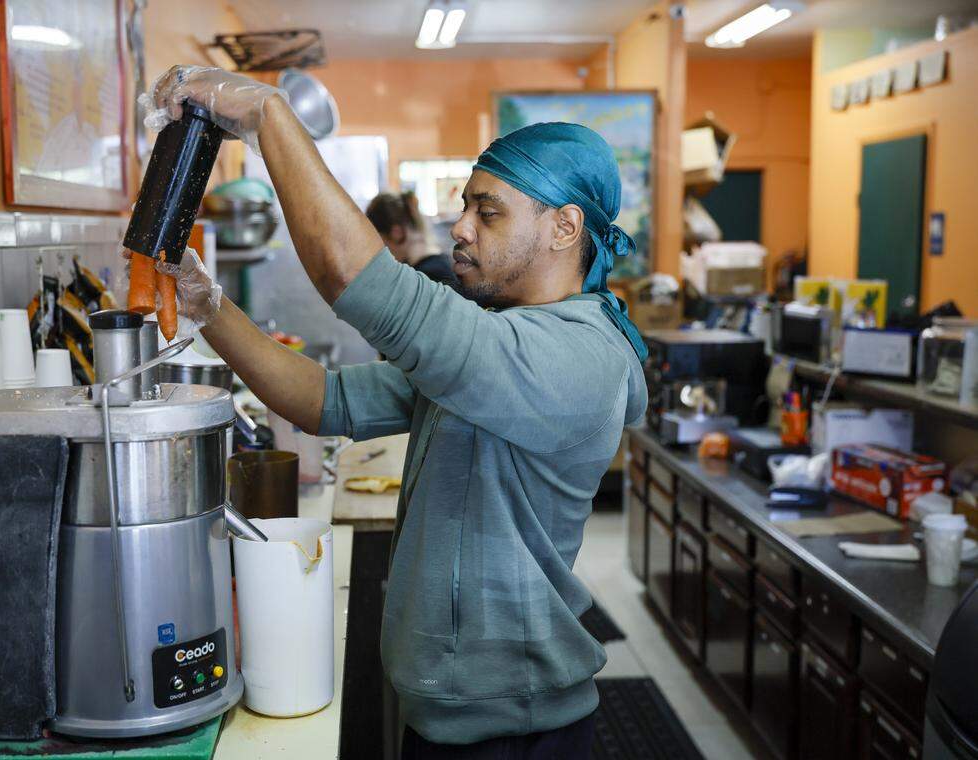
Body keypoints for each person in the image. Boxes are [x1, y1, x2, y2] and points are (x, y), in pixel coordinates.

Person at [142, 66, 648, 759]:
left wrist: (269, 117)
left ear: (565, 228)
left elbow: (354, 278)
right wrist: (209, 309)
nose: (459, 226)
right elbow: (325, 400)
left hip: (517, 729)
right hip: (451, 710)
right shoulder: (497, 339)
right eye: (465, 204)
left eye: (488, 211)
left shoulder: (577, 358)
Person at [366, 191, 458, 287]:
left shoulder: (426, 277)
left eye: (379, 240)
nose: (377, 250)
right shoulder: (438, 265)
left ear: (397, 233)